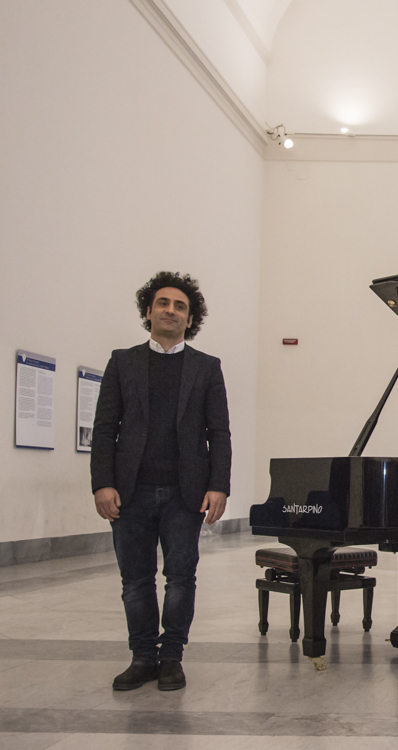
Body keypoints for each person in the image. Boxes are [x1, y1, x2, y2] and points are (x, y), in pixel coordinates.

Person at [91, 272, 231, 691]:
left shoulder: (207, 368)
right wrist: (102, 482)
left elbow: (218, 432)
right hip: (129, 491)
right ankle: (142, 657)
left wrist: (219, 485)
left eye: (181, 306)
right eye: (164, 303)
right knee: (134, 581)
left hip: (184, 493)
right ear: (148, 311)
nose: (171, 310)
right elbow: (104, 428)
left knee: (180, 578)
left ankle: (171, 657)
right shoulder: (123, 361)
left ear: (191, 319)